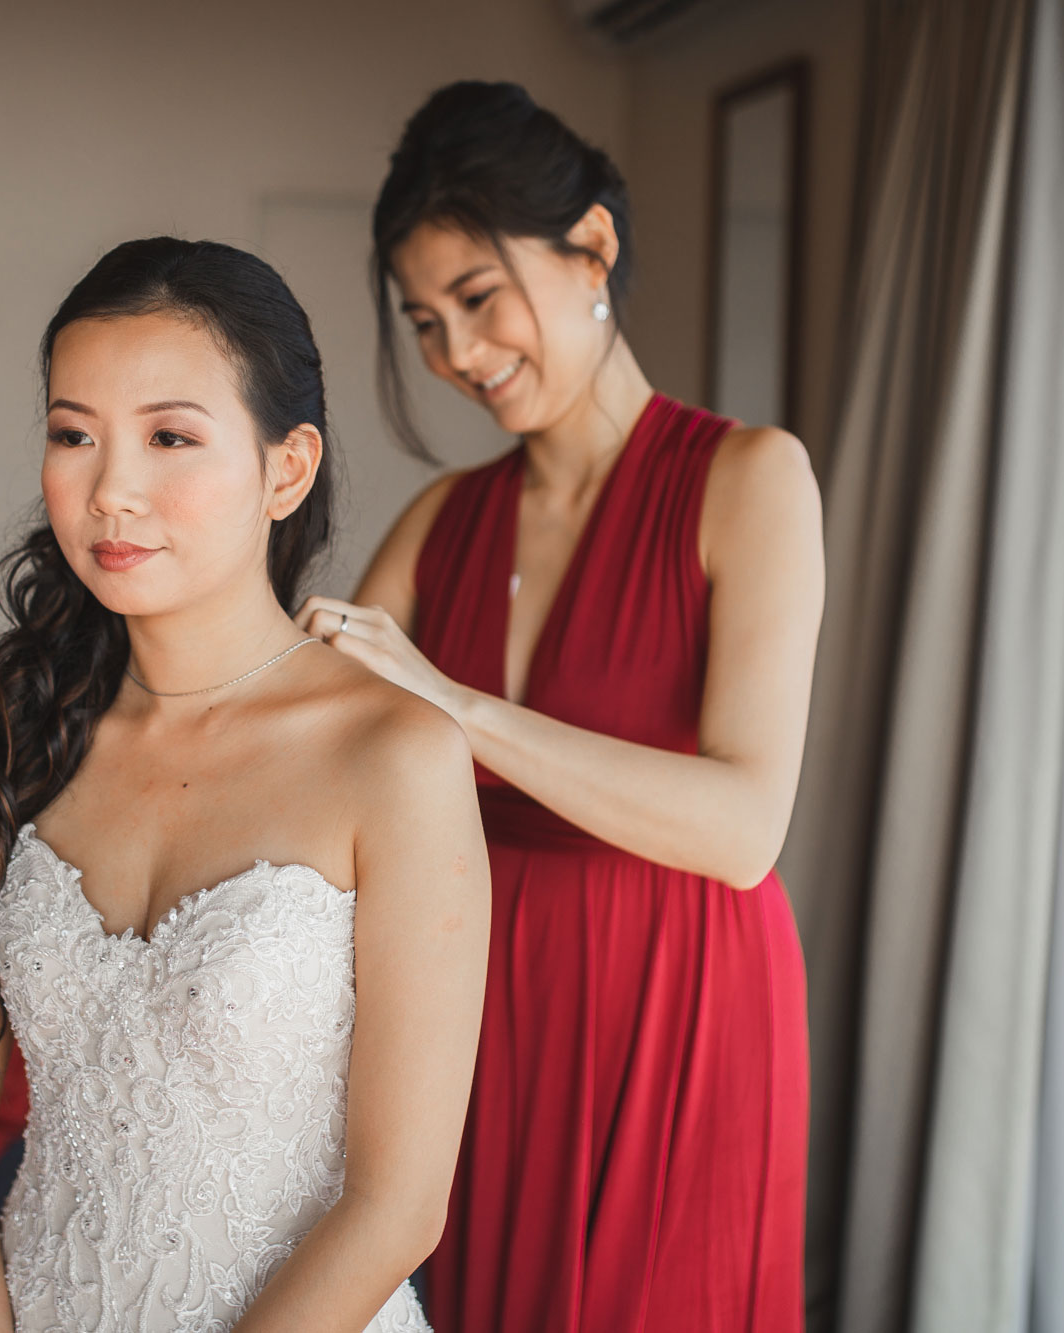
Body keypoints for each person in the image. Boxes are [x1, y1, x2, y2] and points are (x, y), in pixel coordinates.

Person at [0, 236, 491, 1333]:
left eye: (169, 437)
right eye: (73, 435)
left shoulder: (395, 755)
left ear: (284, 469)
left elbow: (396, 1203)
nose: (110, 491)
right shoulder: (15, 742)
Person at [294, 81, 823, 1331]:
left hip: (680, 1007)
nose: (457, 358)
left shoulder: (751, 480)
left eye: (477, 300)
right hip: (482, 1008)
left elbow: (745, 825)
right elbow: (317, 746)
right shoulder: (442, 522)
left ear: (590, 247)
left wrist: (455, 707)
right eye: (425, 323)